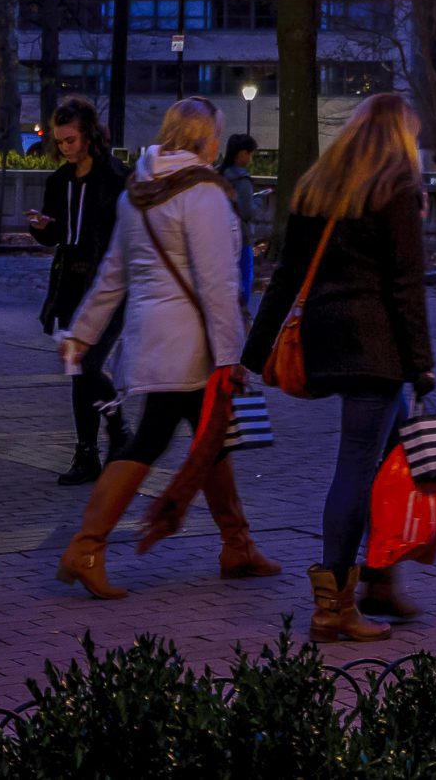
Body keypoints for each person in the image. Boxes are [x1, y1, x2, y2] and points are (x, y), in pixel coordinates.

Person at [55, 97, 277, 599]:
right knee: (154, 440)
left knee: (211, 440)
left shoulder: (137, 192)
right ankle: (86, 547)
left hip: (152, 340)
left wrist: (83, 332)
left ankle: (237, 544)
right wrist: (231, 356)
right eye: (216, 134)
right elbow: (218, 283)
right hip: (193, 348)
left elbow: (113, 274)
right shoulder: (204, 194)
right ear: (202, 139)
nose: (219, 143)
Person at [243, 92, 436, 644]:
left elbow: (286, 274)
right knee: (356, 460)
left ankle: (378, 578)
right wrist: (422, 365)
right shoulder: (396, 188)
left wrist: (255, 351)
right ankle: (334, 605)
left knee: (392, 447)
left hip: (328, 338)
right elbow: (405, 288)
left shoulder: (318, 187)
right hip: (375, 345)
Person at [32, 97, 130, 485]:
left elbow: (126, 236)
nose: (65, 148)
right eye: (60, 142)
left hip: (107, 284)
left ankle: (120, 430)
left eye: (70, 140)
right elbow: (55, 234)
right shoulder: (58, 181)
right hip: (69, 285)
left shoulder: (115, 178)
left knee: (88, 364)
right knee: (77, 370)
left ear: (88, 135)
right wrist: (41, 227)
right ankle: (88, 453)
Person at [220, 132, 261, 305]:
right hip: (242, 235)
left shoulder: (219, 175)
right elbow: (247, 212)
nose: (250, 158)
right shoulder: (242, 179)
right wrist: (258, 200)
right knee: (245, 275)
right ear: (242, 153)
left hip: (221, 233)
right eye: (250, 154)